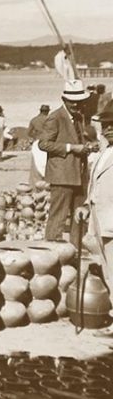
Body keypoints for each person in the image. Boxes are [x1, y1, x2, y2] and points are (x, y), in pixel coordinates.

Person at [39, 79, 99, 247]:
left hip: (79, 174)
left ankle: (75, 251)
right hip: (62, 176)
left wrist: (88, 146)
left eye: (78, 101)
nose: (75, 104)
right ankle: (51, 251)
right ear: (63, 99)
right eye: (72, 101)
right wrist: (71, 148)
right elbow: (43, 144)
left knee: (79, 218)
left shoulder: (78, 117)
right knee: (58, 217)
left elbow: (78, 140)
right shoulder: (55, 117)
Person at [76, 109, 113, 336]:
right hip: (101, 219)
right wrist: (86, 206)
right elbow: (95, 186)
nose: (108, 130)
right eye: (106, 125)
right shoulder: (104, 152)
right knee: (108, 271)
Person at [28, 104, 51, 185]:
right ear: (48, 111)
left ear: (40, 111)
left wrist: (36, 136)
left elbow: (29, 133)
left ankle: (35, 186)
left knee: (36, 166)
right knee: (48, 165)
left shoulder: (34, 120)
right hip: (49, 143)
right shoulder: (50, 119)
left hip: (37, 143)